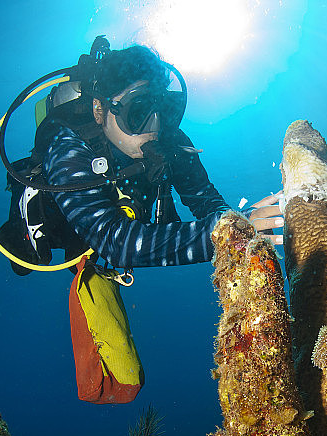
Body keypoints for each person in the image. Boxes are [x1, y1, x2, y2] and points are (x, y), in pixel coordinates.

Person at [40, 44, 283, 270]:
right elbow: (118, 245)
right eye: (138, 111)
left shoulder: (169, 138)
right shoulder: (67, 149)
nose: (154, 127)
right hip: (59, 227)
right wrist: (228, 232)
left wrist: (238, 220)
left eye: (162, 110)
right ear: (99, 110)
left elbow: (204, 200)